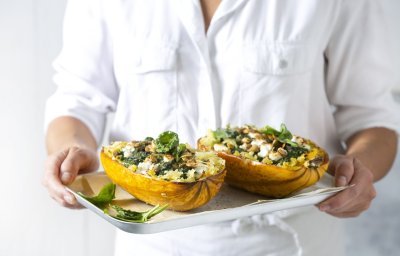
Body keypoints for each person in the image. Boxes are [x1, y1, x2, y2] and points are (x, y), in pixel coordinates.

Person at [43, 0, 399, 255]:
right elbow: (77, 100)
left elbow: (373, 117)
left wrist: (359, 168)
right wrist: (75, 152)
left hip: (291, 242)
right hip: (151, 244)